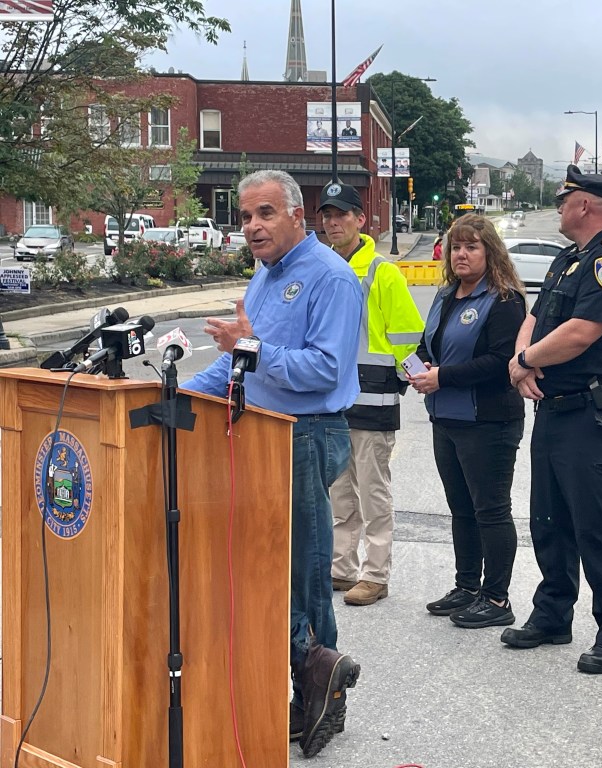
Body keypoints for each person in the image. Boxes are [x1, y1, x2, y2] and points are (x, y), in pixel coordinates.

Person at [180, 170, 363, 758]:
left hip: (307, 436)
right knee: (268, 572)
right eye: (245, 217)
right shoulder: (263, 276)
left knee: (305, 575)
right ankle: (294, 687)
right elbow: (236, 366)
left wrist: (250, 350)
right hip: (259, 434)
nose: (252, 227)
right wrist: (173, 395)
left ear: (296, 215)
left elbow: (324, 371)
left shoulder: (331, 278)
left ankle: (323, 695)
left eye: (264, 214)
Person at [503, 165, 602, 674]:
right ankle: (553, 615)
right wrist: (523, 363)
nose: (560, 208)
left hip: (595, 413)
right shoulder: (570, 258)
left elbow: (582, 332)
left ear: (585, 205)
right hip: (555, 410)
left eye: (565, 201)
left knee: (598, 528)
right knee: (550, 520)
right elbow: (536, 319)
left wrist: (525, 362)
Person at [409, 214, 527, 629]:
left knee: (490, 510)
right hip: (446, 419)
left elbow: (500, 363)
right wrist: (422, 365)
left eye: (471, 246)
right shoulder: (445, 296)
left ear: (489, 251)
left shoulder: (505, 300)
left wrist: (443, 376)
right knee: (461, 508)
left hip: (489, 421)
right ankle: (466, 585)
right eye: (456, 247)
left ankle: (496, 598)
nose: (461, 254)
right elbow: (430, 345)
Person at [320, 181, 424, 607]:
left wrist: (408, 377)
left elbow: (408, 334)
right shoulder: (323, 268)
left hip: (374, 400)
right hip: (332, 402)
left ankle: (375, 575)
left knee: (373, 493)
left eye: (341, 214)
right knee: (339, 495)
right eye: (326, 215)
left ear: (361, 220)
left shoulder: (382, 272)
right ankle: (342, 568)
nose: (332, 223)